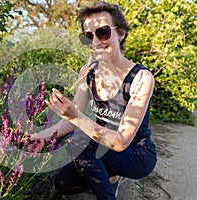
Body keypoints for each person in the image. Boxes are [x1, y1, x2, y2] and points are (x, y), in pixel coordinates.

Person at [31, 1, 157, 199]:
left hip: (136, 154)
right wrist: (40, 136)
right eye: (88, 36)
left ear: (121, 33)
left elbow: (121, 142)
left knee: (78, 141)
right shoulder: (87, 72)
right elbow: (70, 121)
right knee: (63, 183)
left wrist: (77, 117)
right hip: (102, 147)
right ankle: (112, 176)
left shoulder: (141, 78)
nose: (95, 42)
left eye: (103, 33)